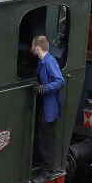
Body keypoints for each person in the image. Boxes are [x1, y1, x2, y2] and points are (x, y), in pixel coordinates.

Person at [31, 34, 66, 174]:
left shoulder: (49, 62)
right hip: (44, 104)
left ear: (37, 48)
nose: (31, 49)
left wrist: (45, 88)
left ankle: (48, 167)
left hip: (50, 105)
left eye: (33, 46)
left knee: (46, 137)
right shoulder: (42, 62)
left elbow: (60, 81)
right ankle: (43, 164)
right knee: (42, 135)